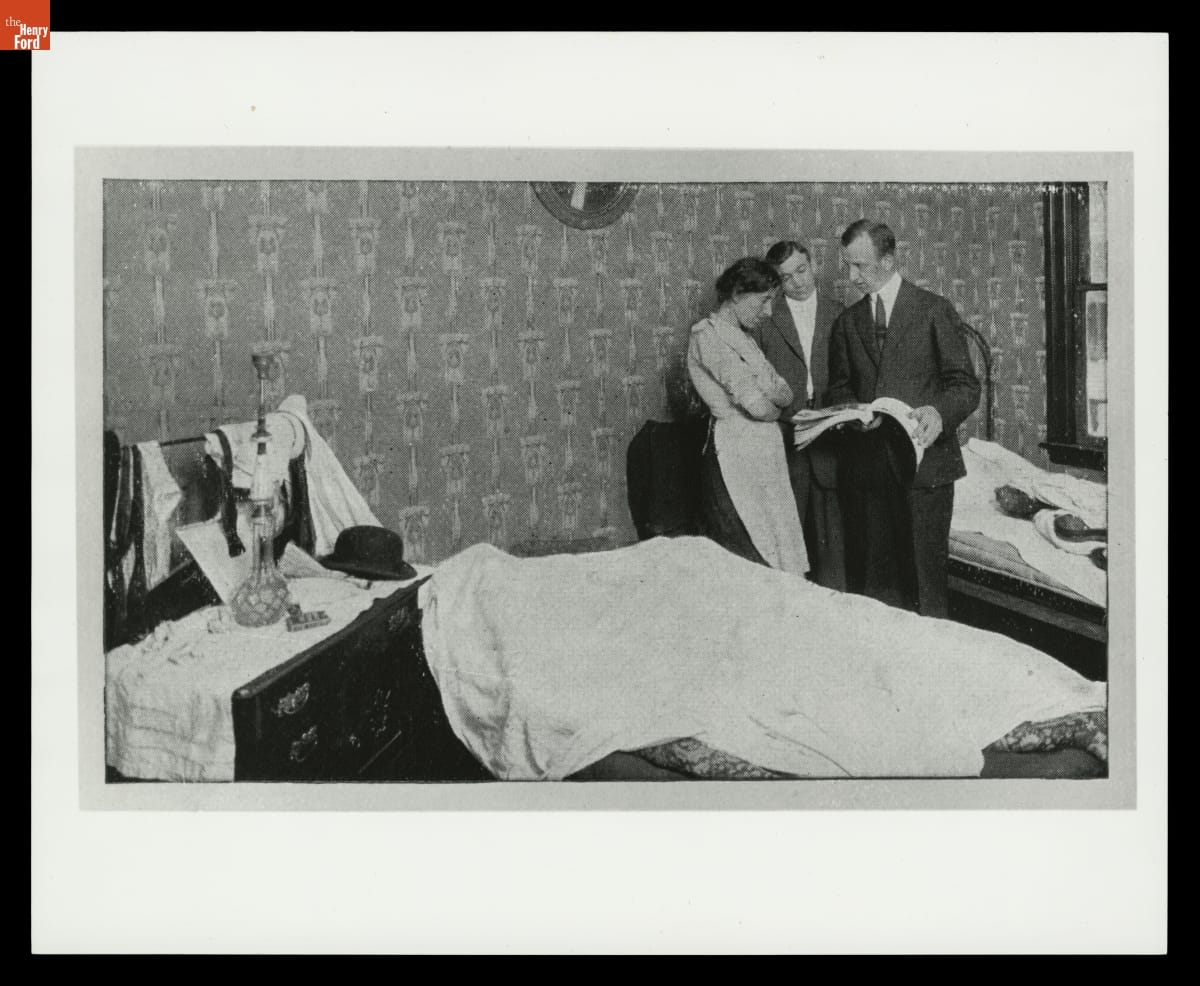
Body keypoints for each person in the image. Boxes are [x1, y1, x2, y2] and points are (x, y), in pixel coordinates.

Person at [826, 220, 980, 617]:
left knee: (925, 589)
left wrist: (938, 412)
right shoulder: (846, 323)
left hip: (926, 471)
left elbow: (965, 385)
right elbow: (839, 389)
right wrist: (854, 414)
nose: (851, 277)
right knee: (874, 590)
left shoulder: (933, 309)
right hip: (868, 471)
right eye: (847, 265)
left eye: (859, 266)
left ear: (888, 261)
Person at [686, 257, 809, 576]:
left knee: (780, 547)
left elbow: (786, 393)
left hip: (766, 452)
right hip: (734, 452)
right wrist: (769, 399)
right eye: (764, 300)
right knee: (751, 549)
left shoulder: (746, 339)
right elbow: (759, 407)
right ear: (738, 293)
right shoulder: (706, 335)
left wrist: (768, 397)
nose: (768, 312)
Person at [751, 241, 847, 589]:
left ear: (812, 264)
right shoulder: (765, 318)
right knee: (786, 541)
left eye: (802, 270)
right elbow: (757, 380)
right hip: (784, 437)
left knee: (832, 543)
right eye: (786, 278)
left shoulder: (840, 313)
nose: (798, 282)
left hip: (830, 438)